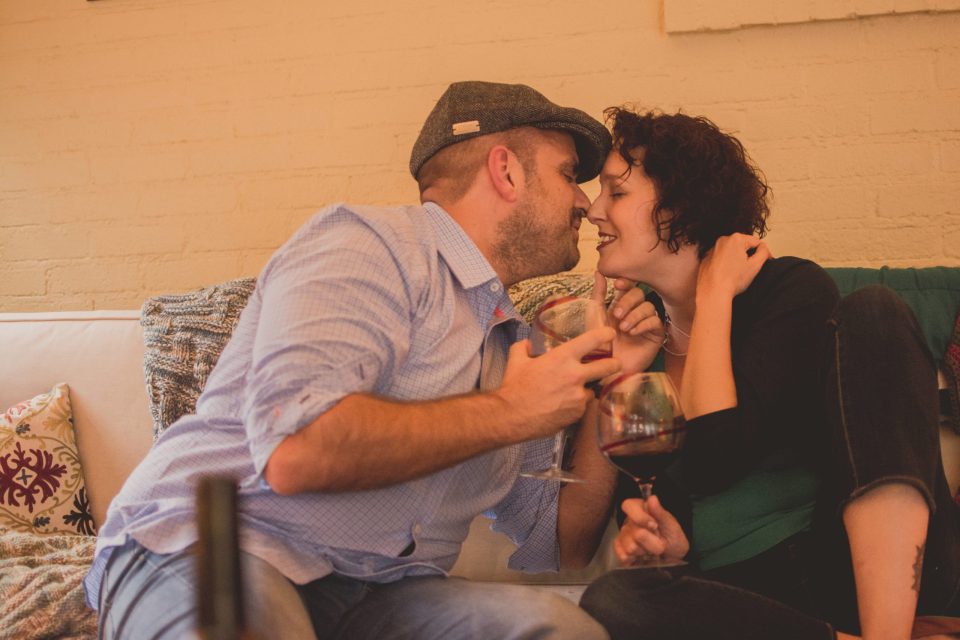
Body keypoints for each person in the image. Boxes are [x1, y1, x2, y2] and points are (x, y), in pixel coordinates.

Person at [83, 81, 654, 639]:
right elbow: (297, 450)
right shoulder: (371, 246)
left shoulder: (513, 345)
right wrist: (510, 410)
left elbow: (562, 543)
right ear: (505, 171)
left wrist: (618, 378)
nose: (584, 202)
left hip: (384, 593)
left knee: (559, 629)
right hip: (224, 547)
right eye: (567, 174)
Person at [577, 108, 960, 639]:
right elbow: (637, 517)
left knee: (875, 310)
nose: (593, 211)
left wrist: (713, 297)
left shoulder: (790, 291)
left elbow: (715, 455)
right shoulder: (638, 336)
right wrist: (667, 545)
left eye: (616, 192)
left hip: (846, 573)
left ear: (682, 206)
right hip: (750, 601)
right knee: (612, 599)